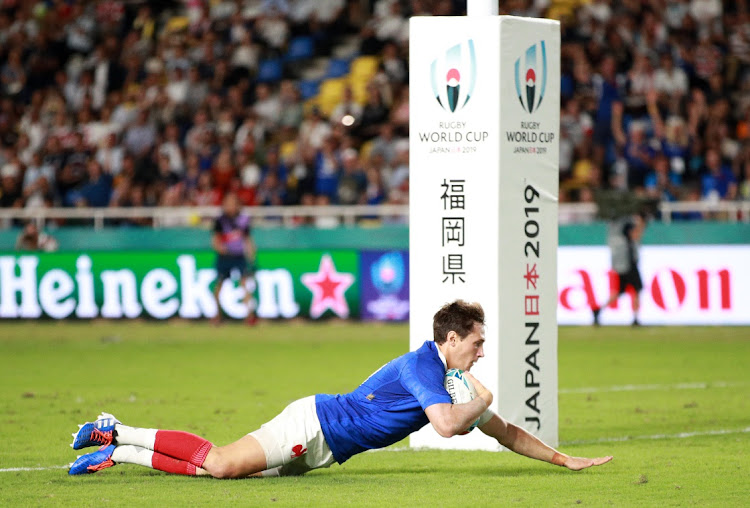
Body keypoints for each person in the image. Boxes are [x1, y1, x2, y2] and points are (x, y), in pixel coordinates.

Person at [68, 301, 612, 477]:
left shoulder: (448, 376)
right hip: (316, 423)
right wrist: (483, 400)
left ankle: (116, 451)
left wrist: (564, 460)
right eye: (477, 342)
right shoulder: (423, 367)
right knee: (221, 465)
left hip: (330, 451)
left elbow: (507, 434)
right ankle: (118, 430)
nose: (482, 351)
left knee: (220, 476)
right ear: (451, 339)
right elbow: (450, 426)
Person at [211, 192, 257, 325]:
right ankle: (217, 316)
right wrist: (222, 249)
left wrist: (251, 255)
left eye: (232, 203)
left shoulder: (243, 220)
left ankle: (249, 316)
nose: (230, 206)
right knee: (219, 286)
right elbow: (215, 240)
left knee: (245, 285)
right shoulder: (220, 221)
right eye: (227, 203)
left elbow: (247, 239)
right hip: (224, 257)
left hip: (239, 257)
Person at [592, 214, 646, 326]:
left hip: (626, 267)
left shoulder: (624, 237)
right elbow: (636, 235)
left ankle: (599, 310)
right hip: (629, 267)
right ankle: (635, 318)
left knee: (618, 293)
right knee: (634, 291)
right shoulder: (625, 237)